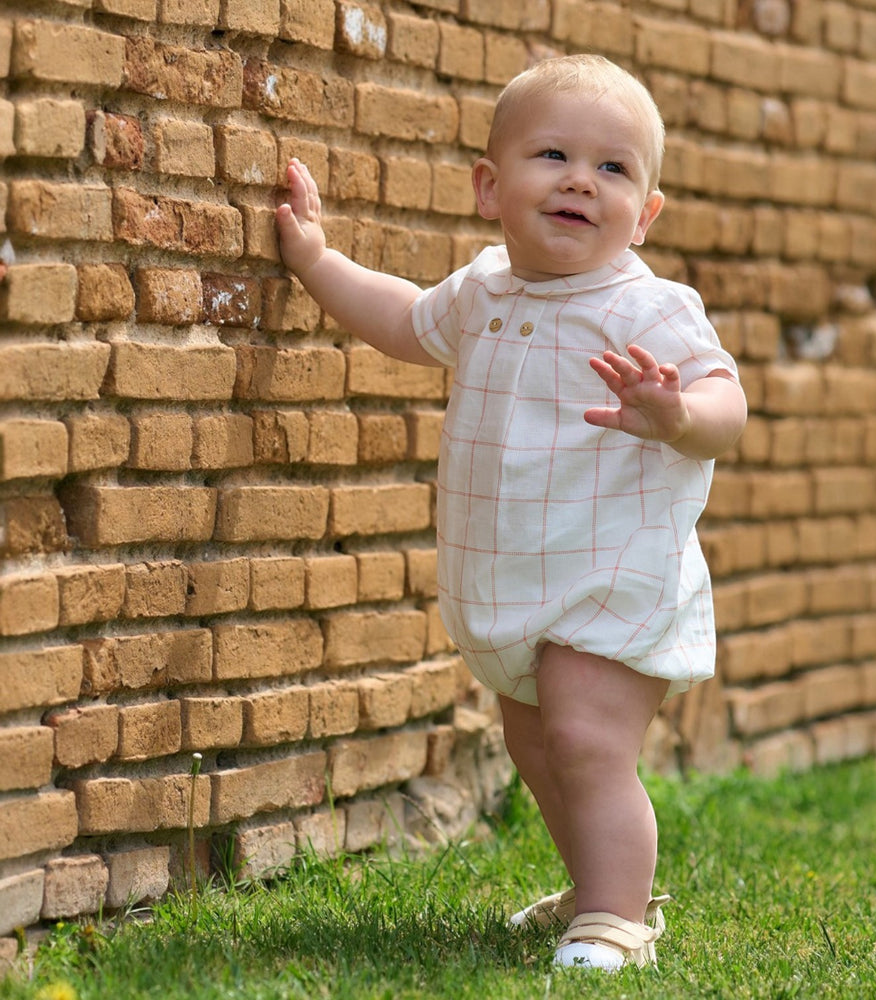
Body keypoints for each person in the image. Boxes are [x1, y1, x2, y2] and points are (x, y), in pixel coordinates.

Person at [277, 53, 747, 972]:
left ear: (644, 213)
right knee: (537, 743)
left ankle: (617, 917)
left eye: (614, 169)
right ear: (492, 186)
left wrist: (680, 413)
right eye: (554, 156)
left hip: (609, 576)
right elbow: (404, 321)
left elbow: (725, 403)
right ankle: (593, 882)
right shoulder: (483, 290)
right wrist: (315, 260)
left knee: (584, 738)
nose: (582, 178)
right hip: (513, 578)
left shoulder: (649, 307)